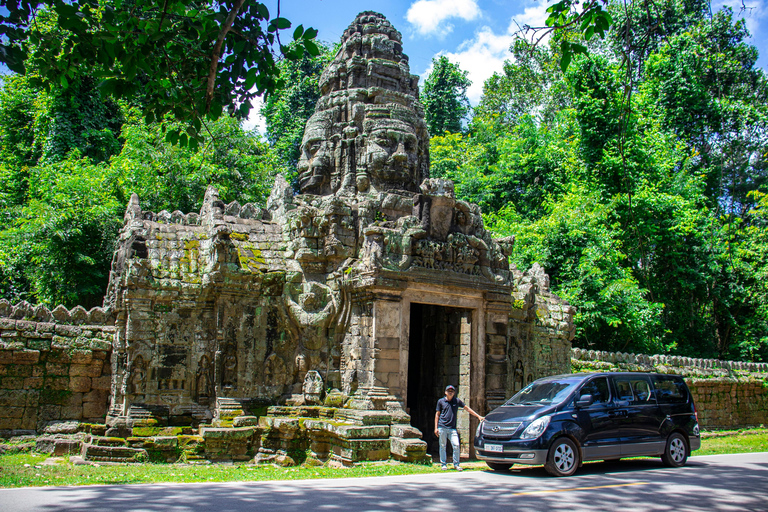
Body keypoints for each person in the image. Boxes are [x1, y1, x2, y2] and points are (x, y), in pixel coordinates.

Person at [434, 384, 485, 470]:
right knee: (442, 445)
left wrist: (478, 416)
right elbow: (437, 414)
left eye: (452, 391)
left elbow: (467, 408)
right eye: (449, 391)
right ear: (445, 392)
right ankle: (443, 464)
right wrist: (436, 428)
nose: (450, 393)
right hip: (442, 427)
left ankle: (456, 464)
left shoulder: (456, 401)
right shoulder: (441, 401)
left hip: (452, 428)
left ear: (454, 393)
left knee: (456, 445)